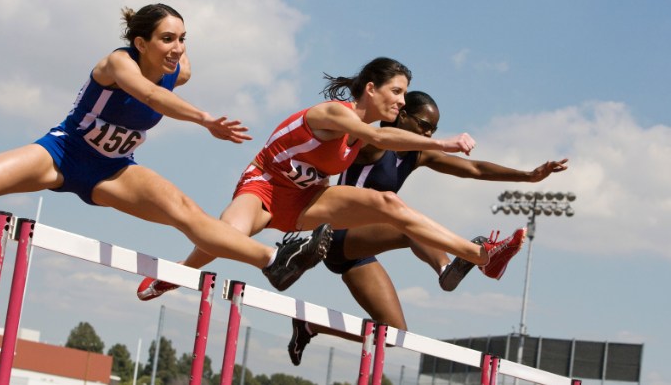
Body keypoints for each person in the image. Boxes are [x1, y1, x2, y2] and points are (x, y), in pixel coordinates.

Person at [0, 3, 331, 291]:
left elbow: (165, 84)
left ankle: (275, 260)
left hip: (113, 169)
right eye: (167, 39)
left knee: (187, 214)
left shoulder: (179, 69)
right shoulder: (117, 63)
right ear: (141, 42)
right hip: (62, 153)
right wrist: (205, 120)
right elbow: (149, 96)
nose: (178, 49)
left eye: (183, 38)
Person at [137, 57, 526, 301]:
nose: (402, 102)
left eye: (405, 95)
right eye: (397, 91)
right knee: (225, 234)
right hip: (265, 186)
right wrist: (445, 143)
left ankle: (481, 256)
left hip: (309, 199)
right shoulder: (334, 114)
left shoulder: (366, 128)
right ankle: (175, 275)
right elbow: (380, 137)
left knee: (388, 204)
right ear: (370, 88)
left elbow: (383, 137)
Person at [286, 90, 569, 365]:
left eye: (433, 130)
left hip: (356, 252)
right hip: (336, 233)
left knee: (394, 333)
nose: (428, 135)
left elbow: (474, 169)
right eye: (424, 126)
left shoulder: (417, 155)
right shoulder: (373, 144)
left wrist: (528, 176)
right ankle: (448, 268)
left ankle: (311, 326)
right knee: (404, 219)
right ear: (402, 115)